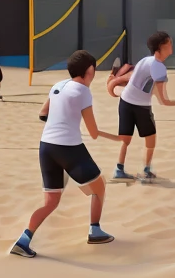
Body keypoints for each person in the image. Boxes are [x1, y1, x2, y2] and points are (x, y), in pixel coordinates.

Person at [11, 50, 113, 255]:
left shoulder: (57, 85)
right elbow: (92, 132)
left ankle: (23, 241)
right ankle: (95, 230)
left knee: (51, 202)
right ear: (89, 70)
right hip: (69, 147)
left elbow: (42, 113)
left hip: (46, 146)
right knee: (99, 186)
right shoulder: (83, 91)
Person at [108, 31, 175, 181]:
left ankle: (119, 169)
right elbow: (163, 100)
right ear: (161, 47)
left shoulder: (144, 60)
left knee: (125, 139)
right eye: (169, 43)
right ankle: (147, 171)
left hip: (125, 102)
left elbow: (139, 84)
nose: (171, 45)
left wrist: (115, 83)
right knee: (150, 139)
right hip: (141, 107)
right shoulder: (160, 68)